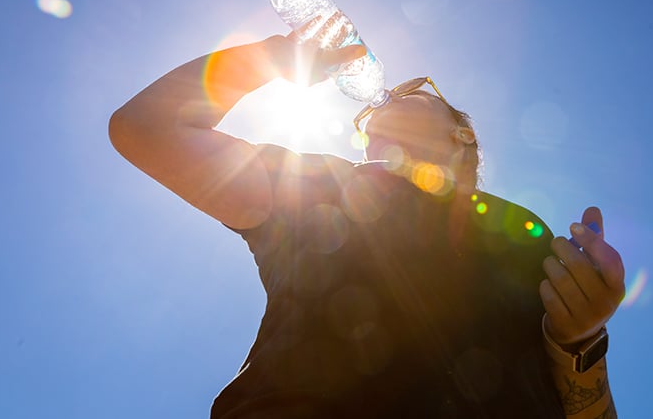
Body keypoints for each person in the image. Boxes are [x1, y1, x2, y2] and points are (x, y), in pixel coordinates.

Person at [109, 32, 625, 418]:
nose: (382, 101)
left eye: (410, 90)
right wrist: (268, 58)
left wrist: (579, 339)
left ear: (462, 133)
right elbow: (147, 128)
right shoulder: (319, 186)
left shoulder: (521, 229)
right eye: (368, 120)